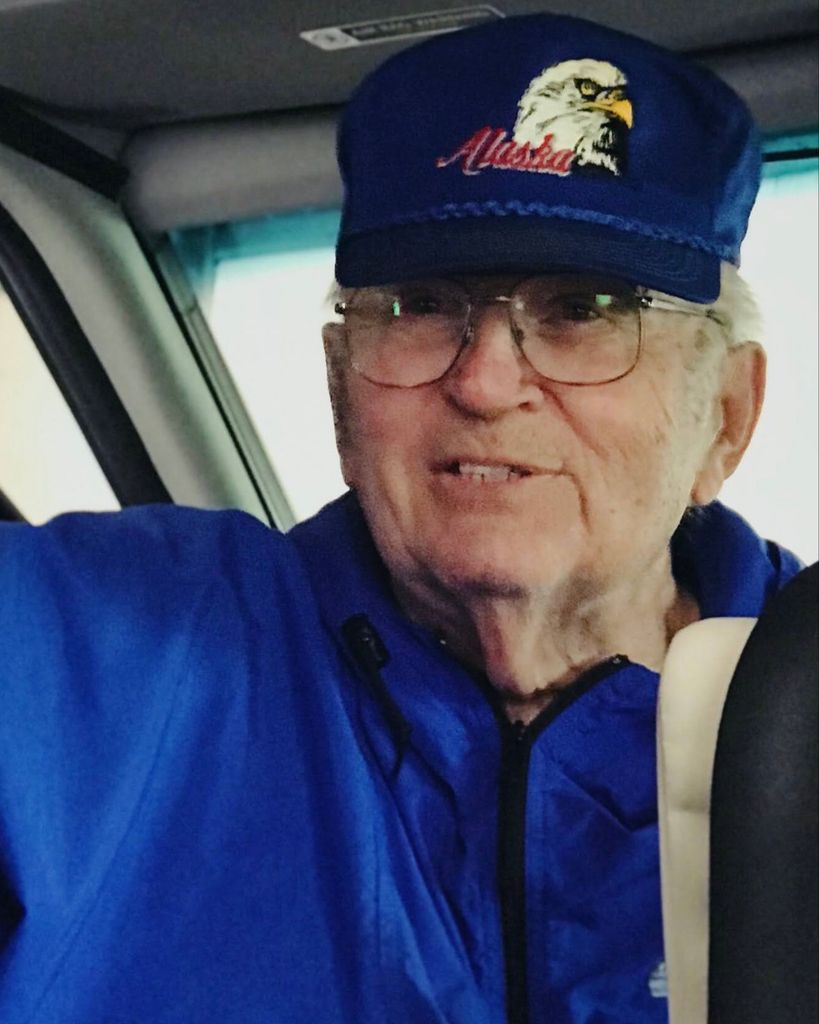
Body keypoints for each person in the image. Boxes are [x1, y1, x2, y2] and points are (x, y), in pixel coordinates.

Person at [0, 13, 803, 1024]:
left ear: (724, 414)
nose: (486, 381)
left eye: (584, 308)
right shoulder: (130, 647)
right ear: (342, 391)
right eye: (420, 304)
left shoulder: (802, 706)